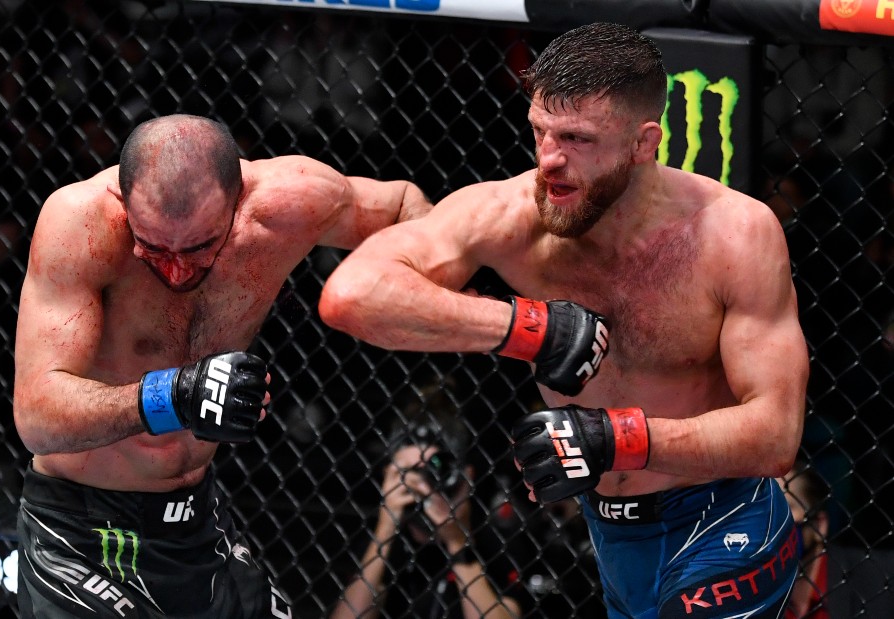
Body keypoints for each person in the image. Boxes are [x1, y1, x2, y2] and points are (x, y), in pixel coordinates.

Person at [319, 22, 810, 618]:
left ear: (643, 142)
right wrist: (529, 328)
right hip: (608, 531)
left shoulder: (735, 234)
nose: (549, 159)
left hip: (721, 518)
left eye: (576, 138)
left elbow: (776, 433)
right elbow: (351, 294)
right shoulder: (513, 215)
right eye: (539, 131)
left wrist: (617, 438)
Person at [12, 113, 432, 618]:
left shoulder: (288, 202)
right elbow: (37, 416)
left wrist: (447, 292)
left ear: (239, 203)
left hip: (196, 520)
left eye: (199, 246)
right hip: (81, 526)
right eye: (153, 247)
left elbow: (410, 210)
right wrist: (175, 395)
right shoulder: (81, 224)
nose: (176, 268)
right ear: (124, 204)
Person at [331, 414, 529, 618]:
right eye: (410, 472)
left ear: (463, 477)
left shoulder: (495, 543)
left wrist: (458, 542)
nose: (423, 486)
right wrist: (386, 528)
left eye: (434, 471)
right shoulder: (382, 545)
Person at [780, 459, 894, 618]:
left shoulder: (880, 578)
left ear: (819, 526)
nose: (770, 522)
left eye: (782, 507)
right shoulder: (747, 593)